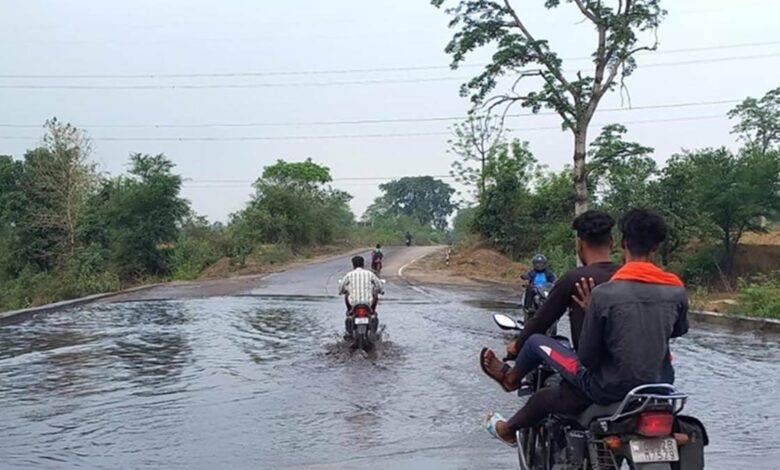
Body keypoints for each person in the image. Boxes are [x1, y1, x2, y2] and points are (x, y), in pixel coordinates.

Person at [482, 208, 689, 446]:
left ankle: (511, 381)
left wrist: (593, 311)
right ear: (656, 248)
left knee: (535, 343)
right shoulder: (676, 289)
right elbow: (677, 329)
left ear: (621, 243)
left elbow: (588, 358)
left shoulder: (602, 293)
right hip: (660, 385)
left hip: (607, 384)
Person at [339, 255, 384, 338]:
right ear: (363, 264)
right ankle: (372, 314)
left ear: (353, 265)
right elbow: (379, 286)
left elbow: (341, 286)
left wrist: (342, 291)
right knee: (375, 294)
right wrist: (381, 291)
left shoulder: (349, 275)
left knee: (347, 295)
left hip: (353, 304)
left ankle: (350, 314)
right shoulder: (370, 274)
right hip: (368, 303)